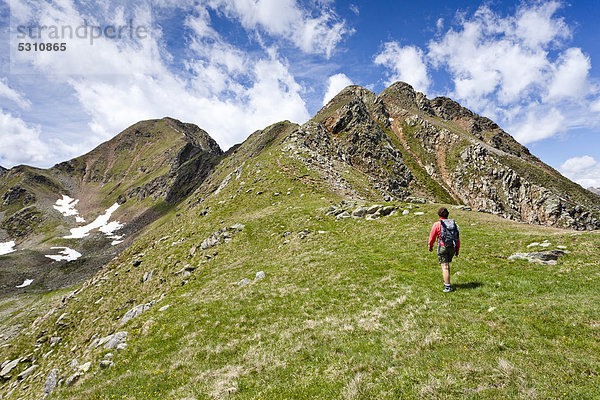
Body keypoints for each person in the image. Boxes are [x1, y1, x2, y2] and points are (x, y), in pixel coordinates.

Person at [428, 207, 460, 292]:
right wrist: (457, 250)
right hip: (452, 247)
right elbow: (457, 238)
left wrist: (430, 246)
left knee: (444, 266)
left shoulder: (437, 224)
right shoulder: (454, 224)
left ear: (439, 215)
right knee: (447, 265)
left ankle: (447, 287)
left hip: (443, 247)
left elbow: (432, 237)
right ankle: (447, 281)